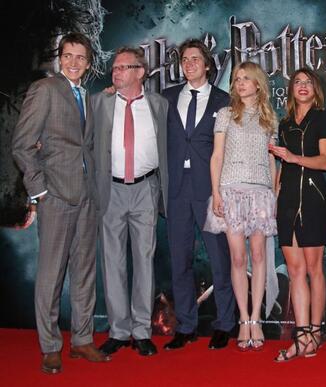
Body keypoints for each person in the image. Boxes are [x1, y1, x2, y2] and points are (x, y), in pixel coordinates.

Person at [11, 32, 110, 374]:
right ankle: (50, 346)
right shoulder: (46, 89)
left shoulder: (87, 95)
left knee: (84, 274)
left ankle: (82, 340)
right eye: (68, 56)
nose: (74, 62)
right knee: (51, 276)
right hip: (55, 197)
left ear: (88, 62)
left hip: (86, 199)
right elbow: (22, 145)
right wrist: (40, 192)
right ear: (59, 57)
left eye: (81, 57)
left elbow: (88, 149)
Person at [92, 47, 168, 357]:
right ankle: (119, 331)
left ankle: (141, 330)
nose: (117, 71)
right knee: (112, 262)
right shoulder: (99, 102)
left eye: (124, 67)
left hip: (145, 189)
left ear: (140, 72)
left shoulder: (159, 105)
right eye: (115, 67)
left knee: (144, 261)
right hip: (110, 190)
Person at [162, 39, 235, 350]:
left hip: (209, 189)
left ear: (207, 65)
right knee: (180, 260)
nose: (189, 64)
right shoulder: (165, 98)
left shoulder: (224, 100)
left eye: (195, 59)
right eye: (185, 59)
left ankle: (225, 324)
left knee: (220, 259)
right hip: (176, 189)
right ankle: (187, 326)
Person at [205, 61, 278, 351]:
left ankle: (257, 318)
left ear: (258, 83)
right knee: (238, 258)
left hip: (261, 191)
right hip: (231, 190)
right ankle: (244, 320)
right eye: (236, 79)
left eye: (246, 78)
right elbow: (216, 157)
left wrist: (273, 192)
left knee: (259, 254)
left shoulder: (269, 117)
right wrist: (217, 193)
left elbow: (273, 159)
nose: (241, 83)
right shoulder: (225, 114)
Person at [269, 68, 326, 361]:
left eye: (308, 82)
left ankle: (315, 333)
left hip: (313, 198)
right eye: (298, 82)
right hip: (287, 202)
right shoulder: (283, 124)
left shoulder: (323, 118)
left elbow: (325, 162)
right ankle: (303, 333)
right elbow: (281, 168)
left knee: (314, 269)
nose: (303, 86)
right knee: (295, 271)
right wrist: (275, 195)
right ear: (291, 89)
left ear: (316, 89)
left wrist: (294, 157)